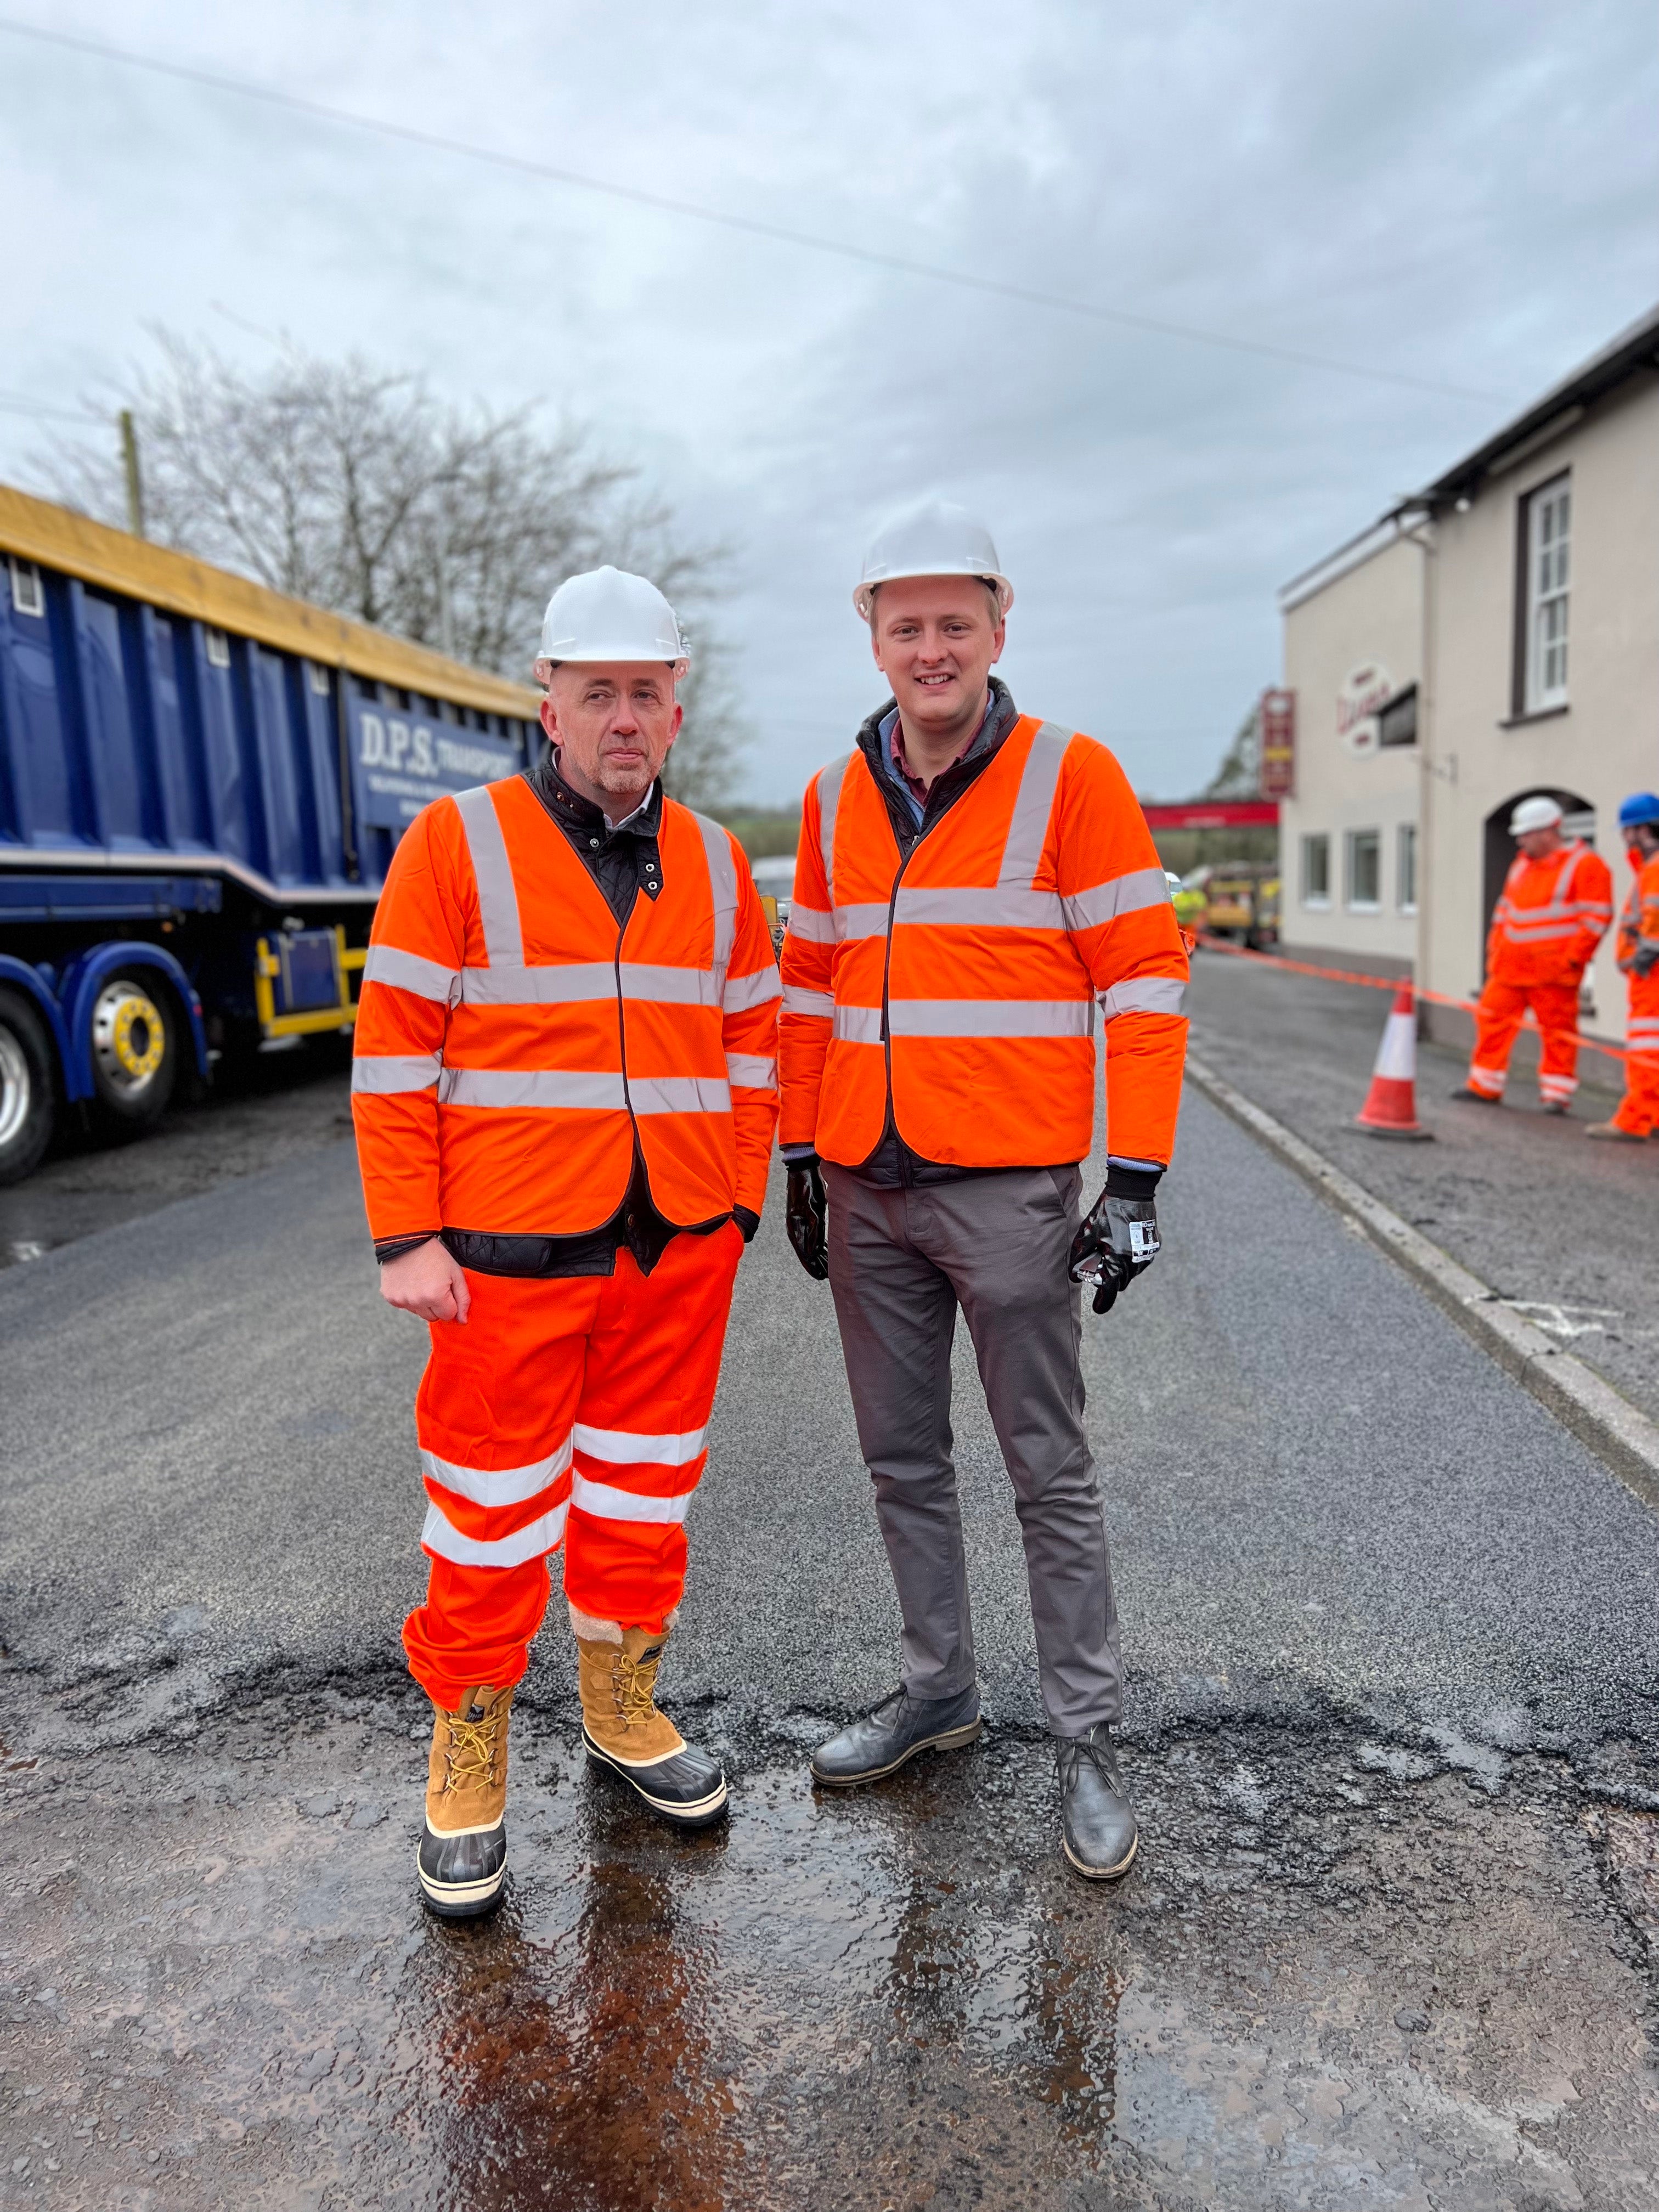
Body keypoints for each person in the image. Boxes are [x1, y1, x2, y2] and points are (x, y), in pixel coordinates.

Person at [351, 567, 780, 1918]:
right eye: (597, 692)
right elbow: (394, 1052)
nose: (623, 718)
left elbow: (754, 1038)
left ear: (676, 704)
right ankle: (470, 1745)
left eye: (646, 694)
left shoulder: (714, 861)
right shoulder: (454, 845)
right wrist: (406, 1234)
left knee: (645, 1498)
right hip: (502, 1263)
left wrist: (739, 1195)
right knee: (488, 1520)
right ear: (548, 701)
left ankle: (620, 1709)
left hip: (675, 1256)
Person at [777, 499, 1188, 1883]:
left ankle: (1084, 1736)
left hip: (1008, 1191)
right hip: (868, 1184)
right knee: (903, 1464)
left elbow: (1142, 984)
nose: (933, 647)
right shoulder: (834, 795)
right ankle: (939, 1693)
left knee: (1046, 1471)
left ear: (1001, 628)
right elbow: (806, 989)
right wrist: (796, 1149)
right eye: (908, 626)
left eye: (958, 622)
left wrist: (1133, 1175)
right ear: (873, 636)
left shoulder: (1074, 777)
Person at [1453, 794, 1612, 1113]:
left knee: (1558, 1035)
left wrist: (1571, 959)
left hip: (1553, 971)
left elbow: (1596, 919)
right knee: (1491, 1022)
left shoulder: (1585, 864)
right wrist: (1494, 953)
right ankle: (1485, 1085)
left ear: (1548, 831)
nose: (1521, 840)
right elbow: (1504, 913)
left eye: (1526, 834)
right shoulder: (1521, 865)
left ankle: (1556, 1095)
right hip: (1510, 969)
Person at [1586, 793, 1659, 1142]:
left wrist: (1643, 956)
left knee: (1645, 1051)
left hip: (1652, 976)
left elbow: (1655, 918)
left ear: (1643, 830)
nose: (1624, 838)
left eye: (1628, 830)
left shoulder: (1656, 867)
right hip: (1649, 971)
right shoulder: (1650, 867)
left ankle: (1634, 1121)